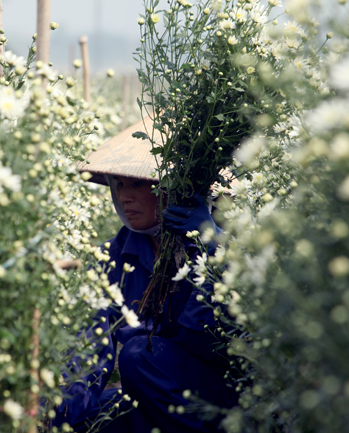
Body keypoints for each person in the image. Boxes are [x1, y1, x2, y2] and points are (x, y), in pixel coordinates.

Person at [54, 118, 239, 433]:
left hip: (220, 398)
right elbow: (90, 348)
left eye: (137, 183)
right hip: (156, 392)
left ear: (172, 188)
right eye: (119, 184)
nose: (124, 196)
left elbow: (212, 339)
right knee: (91, 420)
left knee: (140, 355)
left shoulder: (222, 246)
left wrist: (210, 244)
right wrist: (58, 416)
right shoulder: (116, 254)